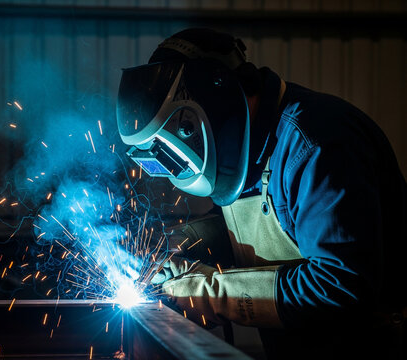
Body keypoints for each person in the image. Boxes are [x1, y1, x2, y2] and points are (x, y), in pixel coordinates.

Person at [116, 28, 406, 359]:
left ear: (215, 101)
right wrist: (180, 245)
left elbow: (340, 284)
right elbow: (264, 234)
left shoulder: (317, 144)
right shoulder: (244, 148)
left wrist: (208, 292)